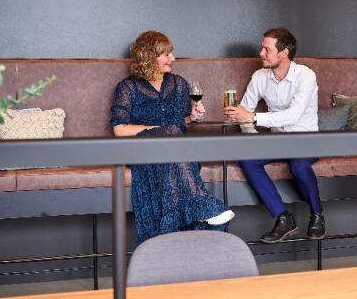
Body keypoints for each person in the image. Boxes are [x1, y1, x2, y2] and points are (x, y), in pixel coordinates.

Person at [110, 31, 233, 245]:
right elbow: (119, 129)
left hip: (177, 152)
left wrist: (193, 116)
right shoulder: (127, 87)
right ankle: (203, 206)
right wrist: (160, 129)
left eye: (171, 53)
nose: (173, 58)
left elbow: (182, 122)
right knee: (171, 132)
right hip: (144, 152)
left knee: (174, 135)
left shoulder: (178, 84)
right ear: (149, 56)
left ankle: (191, 223)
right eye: (166, 54)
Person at [225, 28, 324, 243]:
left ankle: (317, 215)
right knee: (247, 159)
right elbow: (245, 112)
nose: (261, 53)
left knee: (299, 167)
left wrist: (253, 118)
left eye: (267, 49)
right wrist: (251, 135)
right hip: (276, 141)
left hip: (306, 140)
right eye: (262, 48)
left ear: (284, 53)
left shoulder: (305, 75)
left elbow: (293, 115)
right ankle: (283, 218)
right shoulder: (260, 76)